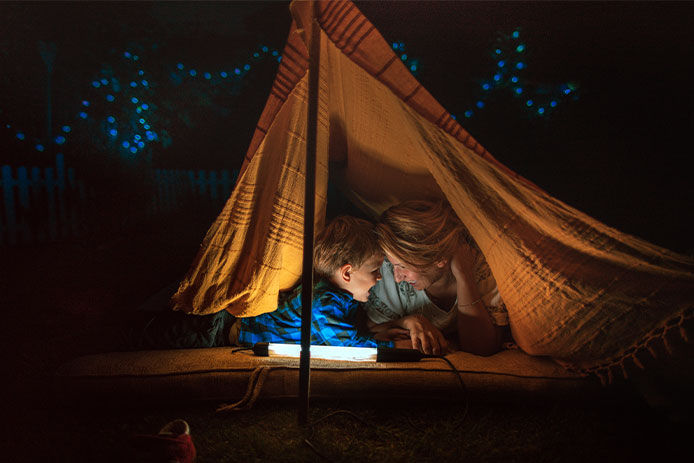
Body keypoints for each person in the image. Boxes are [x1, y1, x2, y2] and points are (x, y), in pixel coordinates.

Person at [128, 216, 403, 350]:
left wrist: (388, 331)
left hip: (228, 326)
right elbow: (349, 346)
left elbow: (350, 332)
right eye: (375, 270)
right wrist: (396, 348)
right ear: (347, 273)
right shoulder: (322, 302)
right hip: (219, 330)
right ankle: (133, 325)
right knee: (157, 338)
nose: (379, 278)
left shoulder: (338, 297)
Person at [364, 200, 511, 356]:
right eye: (394, 265)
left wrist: (464, 276)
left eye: (403, 266)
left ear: (440, 259)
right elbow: (371, 331)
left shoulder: (482, 269)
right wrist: (408, 322)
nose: (398, 277)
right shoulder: (387, 272)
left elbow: (482, 348)